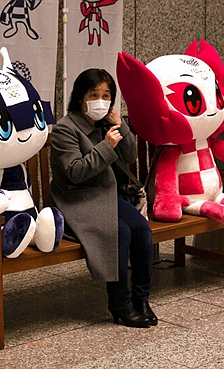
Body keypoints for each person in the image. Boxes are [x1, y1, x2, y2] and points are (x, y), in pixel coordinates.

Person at [50, 68, 156, 328]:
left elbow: (130, 156)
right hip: (78, 199)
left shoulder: (106, 124)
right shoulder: (66, 129)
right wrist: (106, 146)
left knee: (141, 229)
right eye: (93, 94)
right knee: (118, 232)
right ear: (79, 98)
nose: (100, 100)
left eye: (106, 95)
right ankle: (120, 303)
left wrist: (121, 126)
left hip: (107, 196)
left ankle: (142, 299)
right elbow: (75, 172)